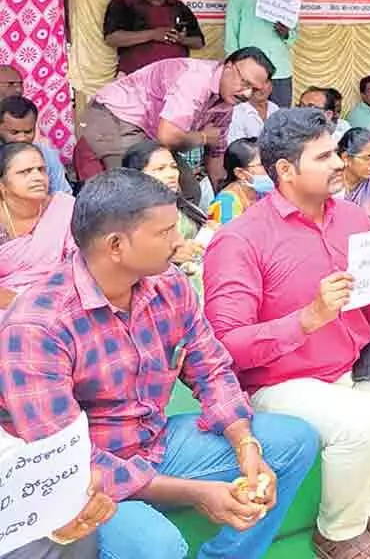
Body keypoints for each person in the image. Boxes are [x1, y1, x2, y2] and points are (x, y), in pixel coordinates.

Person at [0, 168, 320, 559]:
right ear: (116, 245)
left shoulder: (168, 284)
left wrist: (244, 442)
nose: (179, 240)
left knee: (294, 441)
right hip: (88, 480)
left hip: (154, 443)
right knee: (158, 545)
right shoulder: (38, 325)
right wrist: (196, 493)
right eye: (165, 231)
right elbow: (68, 462)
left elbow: (211, 368)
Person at [204, 108, 370, 558]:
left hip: (350, 365)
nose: (337, 163)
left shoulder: (351, 219)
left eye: (336, 152)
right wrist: (308, 318)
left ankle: (369, 508)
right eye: (324, 156)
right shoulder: (240, 239)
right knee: (359, 416)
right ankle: (339, 533)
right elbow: (225, 348)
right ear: (286, 170)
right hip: (279, 383)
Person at [76, 49, 267, 202]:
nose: (247, 93)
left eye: (255, 89)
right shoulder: (196, 78)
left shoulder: (227, 103)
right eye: (244, 82)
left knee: (190, 193)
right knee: (141, 195)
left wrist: (227, 198)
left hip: (151, 132)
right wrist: (204, 137)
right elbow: (167, 136)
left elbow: (215, 158)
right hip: (116, 116)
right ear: (228, 67)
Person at [121, 141, 212, 297]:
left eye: (173, 167)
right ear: (137, 176)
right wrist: (168, 256)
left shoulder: (185, 207)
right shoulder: (129, 218)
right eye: (160, 169)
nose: (171, 174)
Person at [0, 142, 75, 308]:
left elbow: (79, 265)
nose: (38, 177)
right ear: (2, 185)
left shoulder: (64, 207)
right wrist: (25, 304)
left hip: (61, 300)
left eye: (41, 170)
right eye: (25, 172)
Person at [103, 0, 205, 75]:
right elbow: (112, 38)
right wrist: (153, 34)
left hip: (176, 78)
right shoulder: (124, 2)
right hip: (137, 77)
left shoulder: (178, 6)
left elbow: (199, 42)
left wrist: (181, 39)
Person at [224, 0, 297, 106]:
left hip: (280, 70)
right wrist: (236, 72)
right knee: (246, 118)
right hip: (249, 72)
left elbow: (293, 36)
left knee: (281, 120)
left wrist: (286, 33)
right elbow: (231, 35)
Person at [0, 96, 70, 195]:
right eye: (15, 132)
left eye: (28, 132)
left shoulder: (47, 155)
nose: (22, 138)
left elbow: (63, 195)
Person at [209, 138, 271, 225]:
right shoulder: (226, 203)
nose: (268, 167)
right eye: (261, 164)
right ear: (240, 173)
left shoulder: (262, 192)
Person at [226, 68, 279, 144]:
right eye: (256, 83)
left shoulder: (275, 108)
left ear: (271, 86)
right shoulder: (237, 113)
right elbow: (236, 150)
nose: (261, 88)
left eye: (265, 82)